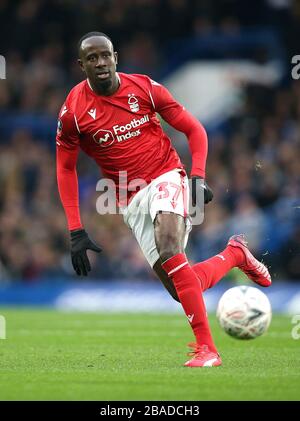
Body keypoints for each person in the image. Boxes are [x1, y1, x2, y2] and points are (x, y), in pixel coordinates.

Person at [56, 32, 271, 367]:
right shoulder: (73, 112)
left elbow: (194, 130)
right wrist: (75, 230)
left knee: (169, 245)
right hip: (129, 198)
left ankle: (207, 349)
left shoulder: (144, 88)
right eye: (92, 58)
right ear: (81, 65)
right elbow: (65, 169)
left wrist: (197, 177)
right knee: (181, 287)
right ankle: (234, 255)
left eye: (105, 56)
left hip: (166, 175)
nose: (100, 63)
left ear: (116, 56)